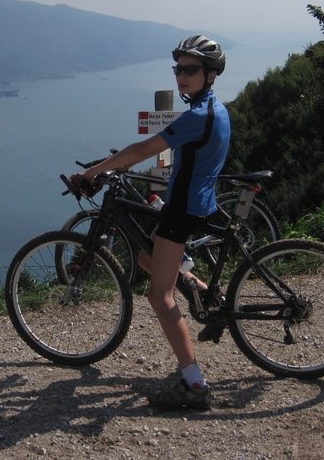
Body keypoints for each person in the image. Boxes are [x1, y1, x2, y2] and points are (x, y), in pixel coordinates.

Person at [73, 34, 230, 411]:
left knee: (159, 296)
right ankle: (209, 294)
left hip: (183, 209)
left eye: (190, 70)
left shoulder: (196, 117)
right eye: (178, 69)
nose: (181, 77)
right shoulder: (215, 109)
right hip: (195, 202)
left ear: (210, 74)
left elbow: (144, 149)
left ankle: (194, 386)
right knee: (147, 258)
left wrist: (95, 170)